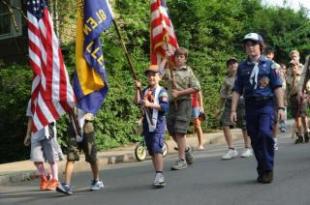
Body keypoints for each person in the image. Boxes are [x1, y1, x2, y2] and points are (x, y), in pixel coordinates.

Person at [230, 33, 284, 184]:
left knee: (265, 133)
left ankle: (267, 169)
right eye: (247, 45)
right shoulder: (242, 67)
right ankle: (263, 166)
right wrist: (233, 110)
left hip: (266, 104)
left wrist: (280, 107)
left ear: (260, 46)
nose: (250, 47)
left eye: (253, 44)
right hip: (250, 105)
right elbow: (237, 89)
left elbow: (277, 87)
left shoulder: (270, 65)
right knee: (255, 139)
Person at [160, 47, 201, 170]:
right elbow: (158, 73)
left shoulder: (188, 71)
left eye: (181, 57)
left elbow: (196, 87)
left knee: (180, 130)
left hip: (184, 102)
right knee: (172, 130)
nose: (178, 58)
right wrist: (165, 58)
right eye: (177, 56)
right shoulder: (169, 71)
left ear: (185, 59)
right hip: (172, 104)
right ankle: (186, 149)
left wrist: (181, 92)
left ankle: (181, 160)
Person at [134, 65, 169, 188]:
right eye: (149, 75)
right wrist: (137, 89)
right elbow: (137, 102)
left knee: (156, 147)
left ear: (159, 77)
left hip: (158, 122)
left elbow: (164, 108)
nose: (151, 77)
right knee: (151, 149)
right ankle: (157, 174)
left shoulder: (162, 91)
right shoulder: (144, 90)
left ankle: (160, 174)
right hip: (147, 123)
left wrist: (150, 104)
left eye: (154, 75)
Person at [56, 109, 104, 195]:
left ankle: (97, 180)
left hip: (87, 128)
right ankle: (67, 185)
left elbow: (94, 106)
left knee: (92, 157)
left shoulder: (87, 98)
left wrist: (91, 114)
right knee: (71, 157)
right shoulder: (70, 98)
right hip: (73, 128)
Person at [218, 57, 252, 160]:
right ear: (227, 68)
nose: (233, 65)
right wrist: (219, 108)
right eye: (230, 64)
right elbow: (222, 95)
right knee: (224, 123)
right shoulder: (226, 79)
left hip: (242, 102)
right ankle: (231, 149)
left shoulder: (244, 76)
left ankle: (247, 148)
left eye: (234, 63)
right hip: (229, 102)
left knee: (244, 125)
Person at [24, 101, 62, 191]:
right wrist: (28, 134)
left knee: (52, 157)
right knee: (36, 158)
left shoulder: (50, 97)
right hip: (35, 132)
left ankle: (55, 179)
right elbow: (30, 118)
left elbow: (58, 113)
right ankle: (44, 178)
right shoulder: (31, 101)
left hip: (48, 130)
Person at [286, 60, 310, 144]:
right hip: (293, 97)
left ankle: (306, 132)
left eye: (295, 65)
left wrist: (307, 94)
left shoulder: (303, 73)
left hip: (302, 96)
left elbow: (307, 84)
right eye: (291, 66)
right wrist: (295, 76)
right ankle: (300, 136)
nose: (293, 67)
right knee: (297, 117)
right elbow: (290, 87)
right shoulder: (289, 75)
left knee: (303, 115)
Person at [265, 47, 282, 150]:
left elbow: (281, 83)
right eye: (266, 54)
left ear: (272, 55)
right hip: (264, 96)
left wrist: (282, 101)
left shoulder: (276, 66)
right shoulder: (260, 65)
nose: (268, 56)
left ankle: (274, 140)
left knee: (274, 120)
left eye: (270, 54)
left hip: (275, 95)